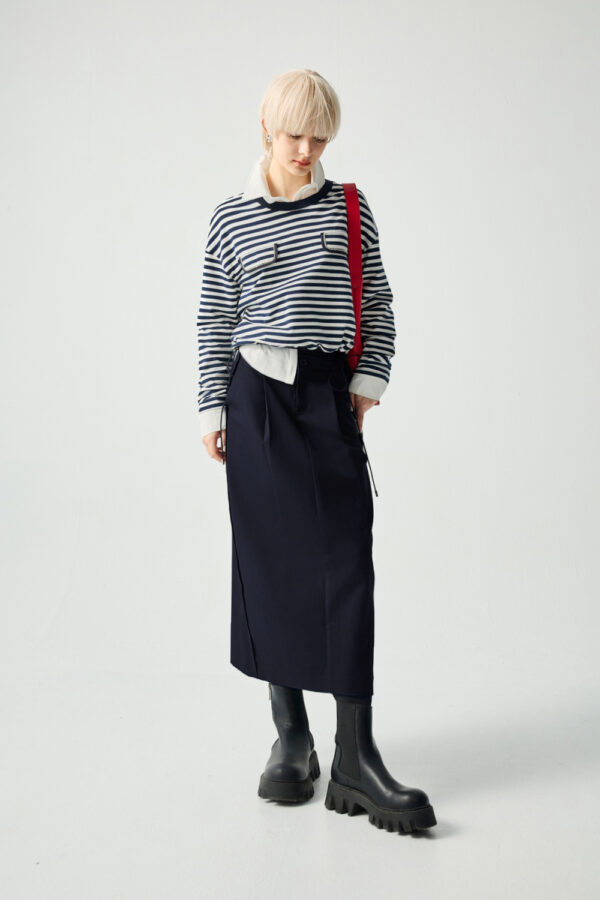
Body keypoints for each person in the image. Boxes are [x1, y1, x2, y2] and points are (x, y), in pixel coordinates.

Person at [196, 68, 436, 833]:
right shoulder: (231, 218)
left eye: (320, 136)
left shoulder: (349, 210)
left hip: (327, 397)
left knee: (345, 565)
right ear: (266, 128)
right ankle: (292, 739)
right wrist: (211, 407)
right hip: (257, 400)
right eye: (295, 134)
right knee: (272, 562)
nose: (307, 150)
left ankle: (355, 755)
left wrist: (367, 381)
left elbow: (380, 303)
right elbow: (215, 317)